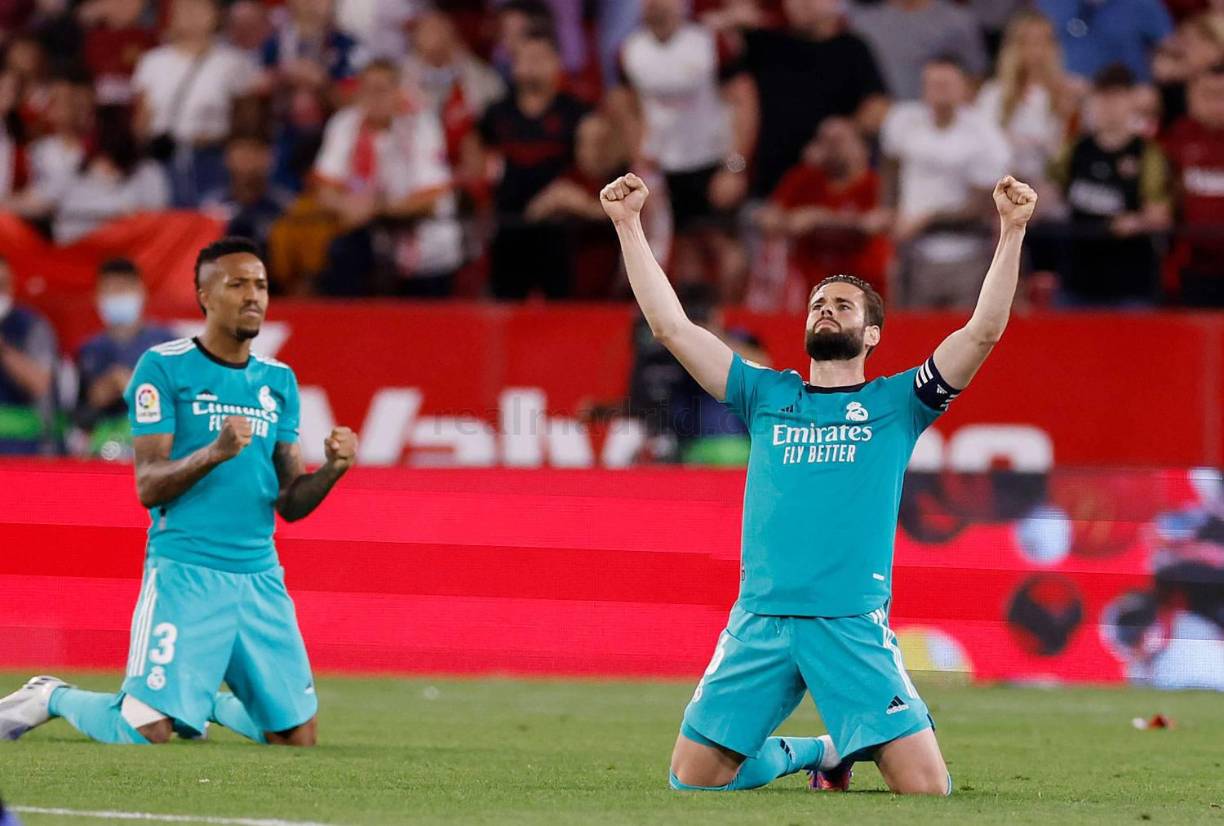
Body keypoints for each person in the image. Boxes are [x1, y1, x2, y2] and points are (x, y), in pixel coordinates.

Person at [598, 169, 1038, 794]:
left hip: (850, 622)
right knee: (692, 782)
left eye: (843, 305)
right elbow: (674, 330)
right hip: (761, 619)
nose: (826, 310)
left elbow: (983, 331)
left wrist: (1012, 231)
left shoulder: (900, 402)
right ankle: (821, 751)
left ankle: (843, 744)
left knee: (926, 789)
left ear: (872, 333)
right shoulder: (765, 393)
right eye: (818, 303)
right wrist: (628, 224)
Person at [0, 237, 358, 746]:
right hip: (186, 572)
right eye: (238, 285)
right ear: (204, 296)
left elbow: (290, 502)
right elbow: (148, 485)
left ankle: (199, 697)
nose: (253, 296)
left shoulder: (278, 380)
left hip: (259, 577)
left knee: (295, 738)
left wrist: (335, 470)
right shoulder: (164, 367)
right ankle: (50, 695)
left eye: (260, 285)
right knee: (145, 731)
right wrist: (214, 452)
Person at [313, 59, 462, 297]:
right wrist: (349, 207)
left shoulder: (422, 125)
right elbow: (324, 190)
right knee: (341, 251)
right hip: (371, 243)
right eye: (367, 89)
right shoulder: (345, 123)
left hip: (426, 249)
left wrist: (373, 207)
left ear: (398, 92)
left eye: (382, 89)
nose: (374, 97)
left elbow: (429, 201)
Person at [713, 0, 889, 200]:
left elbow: (878, 107)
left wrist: (837, 137)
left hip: (829, 192)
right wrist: (734, 169)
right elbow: (741, 114)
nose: (800, 3)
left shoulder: (853, 48)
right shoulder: (762, 43)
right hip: (767, 192)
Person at [881, 56, 1011, 308]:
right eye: (932, 84)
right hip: (912, 252)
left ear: (964, 87)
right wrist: (888, 208)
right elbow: (890, 164)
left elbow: (984, 205)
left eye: (946, 84)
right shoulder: (902, 121)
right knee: (911, 337)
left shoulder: (985, 135)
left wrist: (927, 219)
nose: (938, 91)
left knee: (962, 338)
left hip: (966, 253)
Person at [468, 30, 589, 299]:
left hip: (561, 234)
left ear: (557, 62)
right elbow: (473, 152)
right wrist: (480, 196)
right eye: (525, 59)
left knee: (564, 320)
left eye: (540, 58)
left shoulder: (576, 113)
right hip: (508, 231)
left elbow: (595, 167)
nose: (532, 66)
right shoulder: (497, 113)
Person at [1049, 65, 1172, 306]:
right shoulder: (1076, 148)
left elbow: (1160, 214)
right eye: (1103, 97)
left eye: (1117, 97)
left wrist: (1135, 223)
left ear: (1130, 101)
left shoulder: (1147, 154)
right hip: (1077, 277)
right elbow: (1051, 192)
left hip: (1129, 283)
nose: (1109, 106)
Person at [131, 0, 260, 206]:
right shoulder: (153, 61)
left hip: (213, 157)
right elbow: (142, 119)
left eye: (199, 7)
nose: (191, 14)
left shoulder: (234, 62)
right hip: (164, 157)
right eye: (183, 8)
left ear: (215, 14)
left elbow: (245, 121)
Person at [756, 117, 892, 306]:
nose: (832, 148)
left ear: (862, 147)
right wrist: (788, 221)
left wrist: (817, 219)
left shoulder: (874, 184)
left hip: (864, 287)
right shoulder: (804, 178)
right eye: (825, 141)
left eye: (839, 141)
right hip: (809, 286)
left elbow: (874, 224)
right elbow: (767, 219)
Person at [73, 259, 175, 458]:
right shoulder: (89, 350)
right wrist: (95, 400)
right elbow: (77, 416)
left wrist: (134, 388)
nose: (117, 295)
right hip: (103, 453)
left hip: (154, 451)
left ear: (141, 291)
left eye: (123, 288)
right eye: (110, 290)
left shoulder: (168, 345)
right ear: (97, 296)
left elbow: (183, 405)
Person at [1161, 61, 1224, 307]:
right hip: (1192, 269)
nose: (1217, 104)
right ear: (1192, 97)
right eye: (1208, 95)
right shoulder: (1178, 136)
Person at [849, 0, 988, 102]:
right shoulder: (861, 23)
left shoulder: (959, 21)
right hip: (879, 127)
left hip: (939, 124)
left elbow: (975, 82)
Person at [201, 135, 293, 257]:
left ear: (271, 157)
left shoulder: (286, 206)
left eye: (256, 151)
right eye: (241, 151)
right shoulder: (211, 205)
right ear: (227, 156)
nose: (248, 160)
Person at [1037, 0, 1173, 83]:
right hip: (1064, 99)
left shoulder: (1142, 4)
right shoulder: (1050, 3)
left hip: (1124, 98)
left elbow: (1170, 52)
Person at [0, 256, 56, 455]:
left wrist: (4, 351)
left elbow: (40, 383)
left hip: (21, 447)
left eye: (3, 285)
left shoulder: (32, 326)